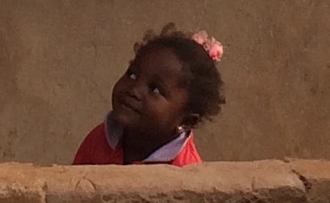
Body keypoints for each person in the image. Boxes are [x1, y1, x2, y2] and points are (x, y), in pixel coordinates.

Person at [73, 29, 226, 166]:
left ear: (186, 121)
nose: (134, 90)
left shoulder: (184, 175)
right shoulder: (102, 138)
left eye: (155, 89)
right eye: (132, 75)